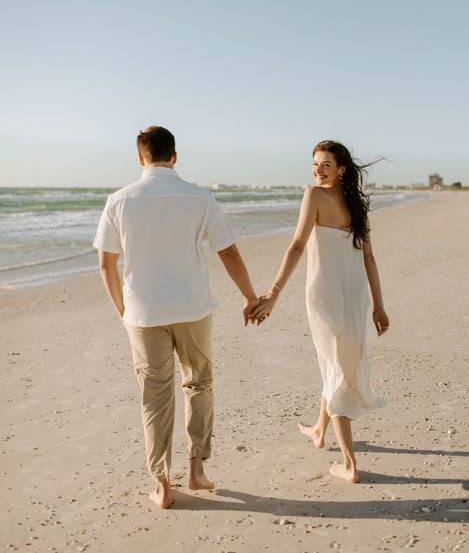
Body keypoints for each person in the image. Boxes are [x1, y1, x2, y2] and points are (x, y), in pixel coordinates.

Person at [93, 126, 259, 509]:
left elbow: (106, 264)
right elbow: (228, 252)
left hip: (143, 312)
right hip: (193, 307)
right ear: (175, 156)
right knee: (198, 382)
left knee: (155, 397)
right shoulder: (200, 198)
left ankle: (162, 482)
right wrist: (250, 297)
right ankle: (198, 469)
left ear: (140, 158)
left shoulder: (118, 200)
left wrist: (123, 310)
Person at [251, 140, 389, 483]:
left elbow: (297, 245)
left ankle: (350, 465)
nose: (317, 170)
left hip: (325, 295)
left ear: (341, 169)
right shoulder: (357, 205)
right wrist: (378, 305)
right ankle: (318, 430)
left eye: (326, 164)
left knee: (334, 367)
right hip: (354, 296)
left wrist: (273, 294)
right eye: (315, 164)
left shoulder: (313, 195)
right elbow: (367, 258)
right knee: (338, 361)